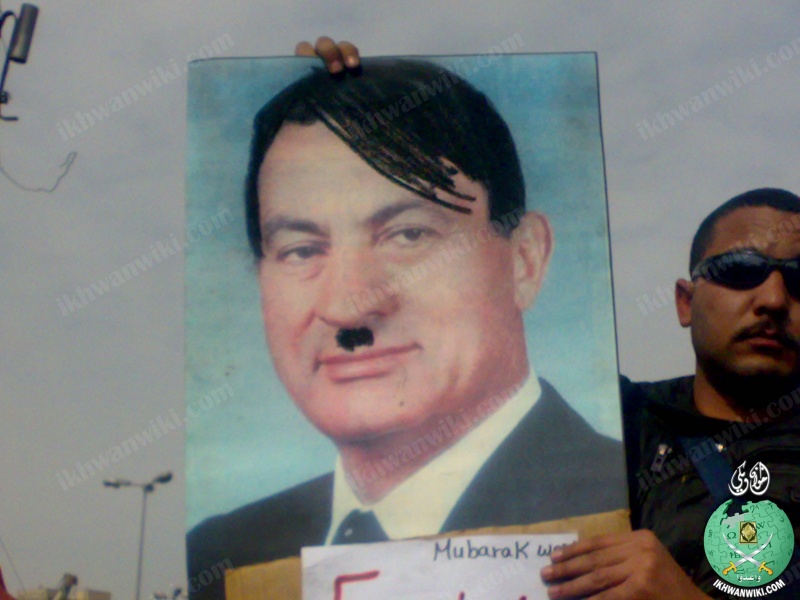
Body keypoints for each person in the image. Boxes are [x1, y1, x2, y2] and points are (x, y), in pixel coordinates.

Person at [186, 39, 627, 599]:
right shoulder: (225, 556)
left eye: (409, 235)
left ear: (525, 259)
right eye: (301, 250)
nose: (349, 307)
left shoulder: (642, 509)